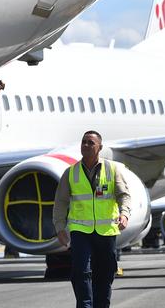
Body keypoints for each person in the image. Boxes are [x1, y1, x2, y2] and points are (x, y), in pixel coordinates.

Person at [53, 130, 131, 308]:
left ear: (100, 148)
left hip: (106, 230)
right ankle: (85, 305)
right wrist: (60, 228)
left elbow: (123, 195)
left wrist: (124, 214)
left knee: (105, 272)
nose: (86, 145)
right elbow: (60, 203)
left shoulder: (113, 169)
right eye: (83, 142)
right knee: (81, 271)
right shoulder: (71, 173)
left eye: (90, 143)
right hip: (81, 231)